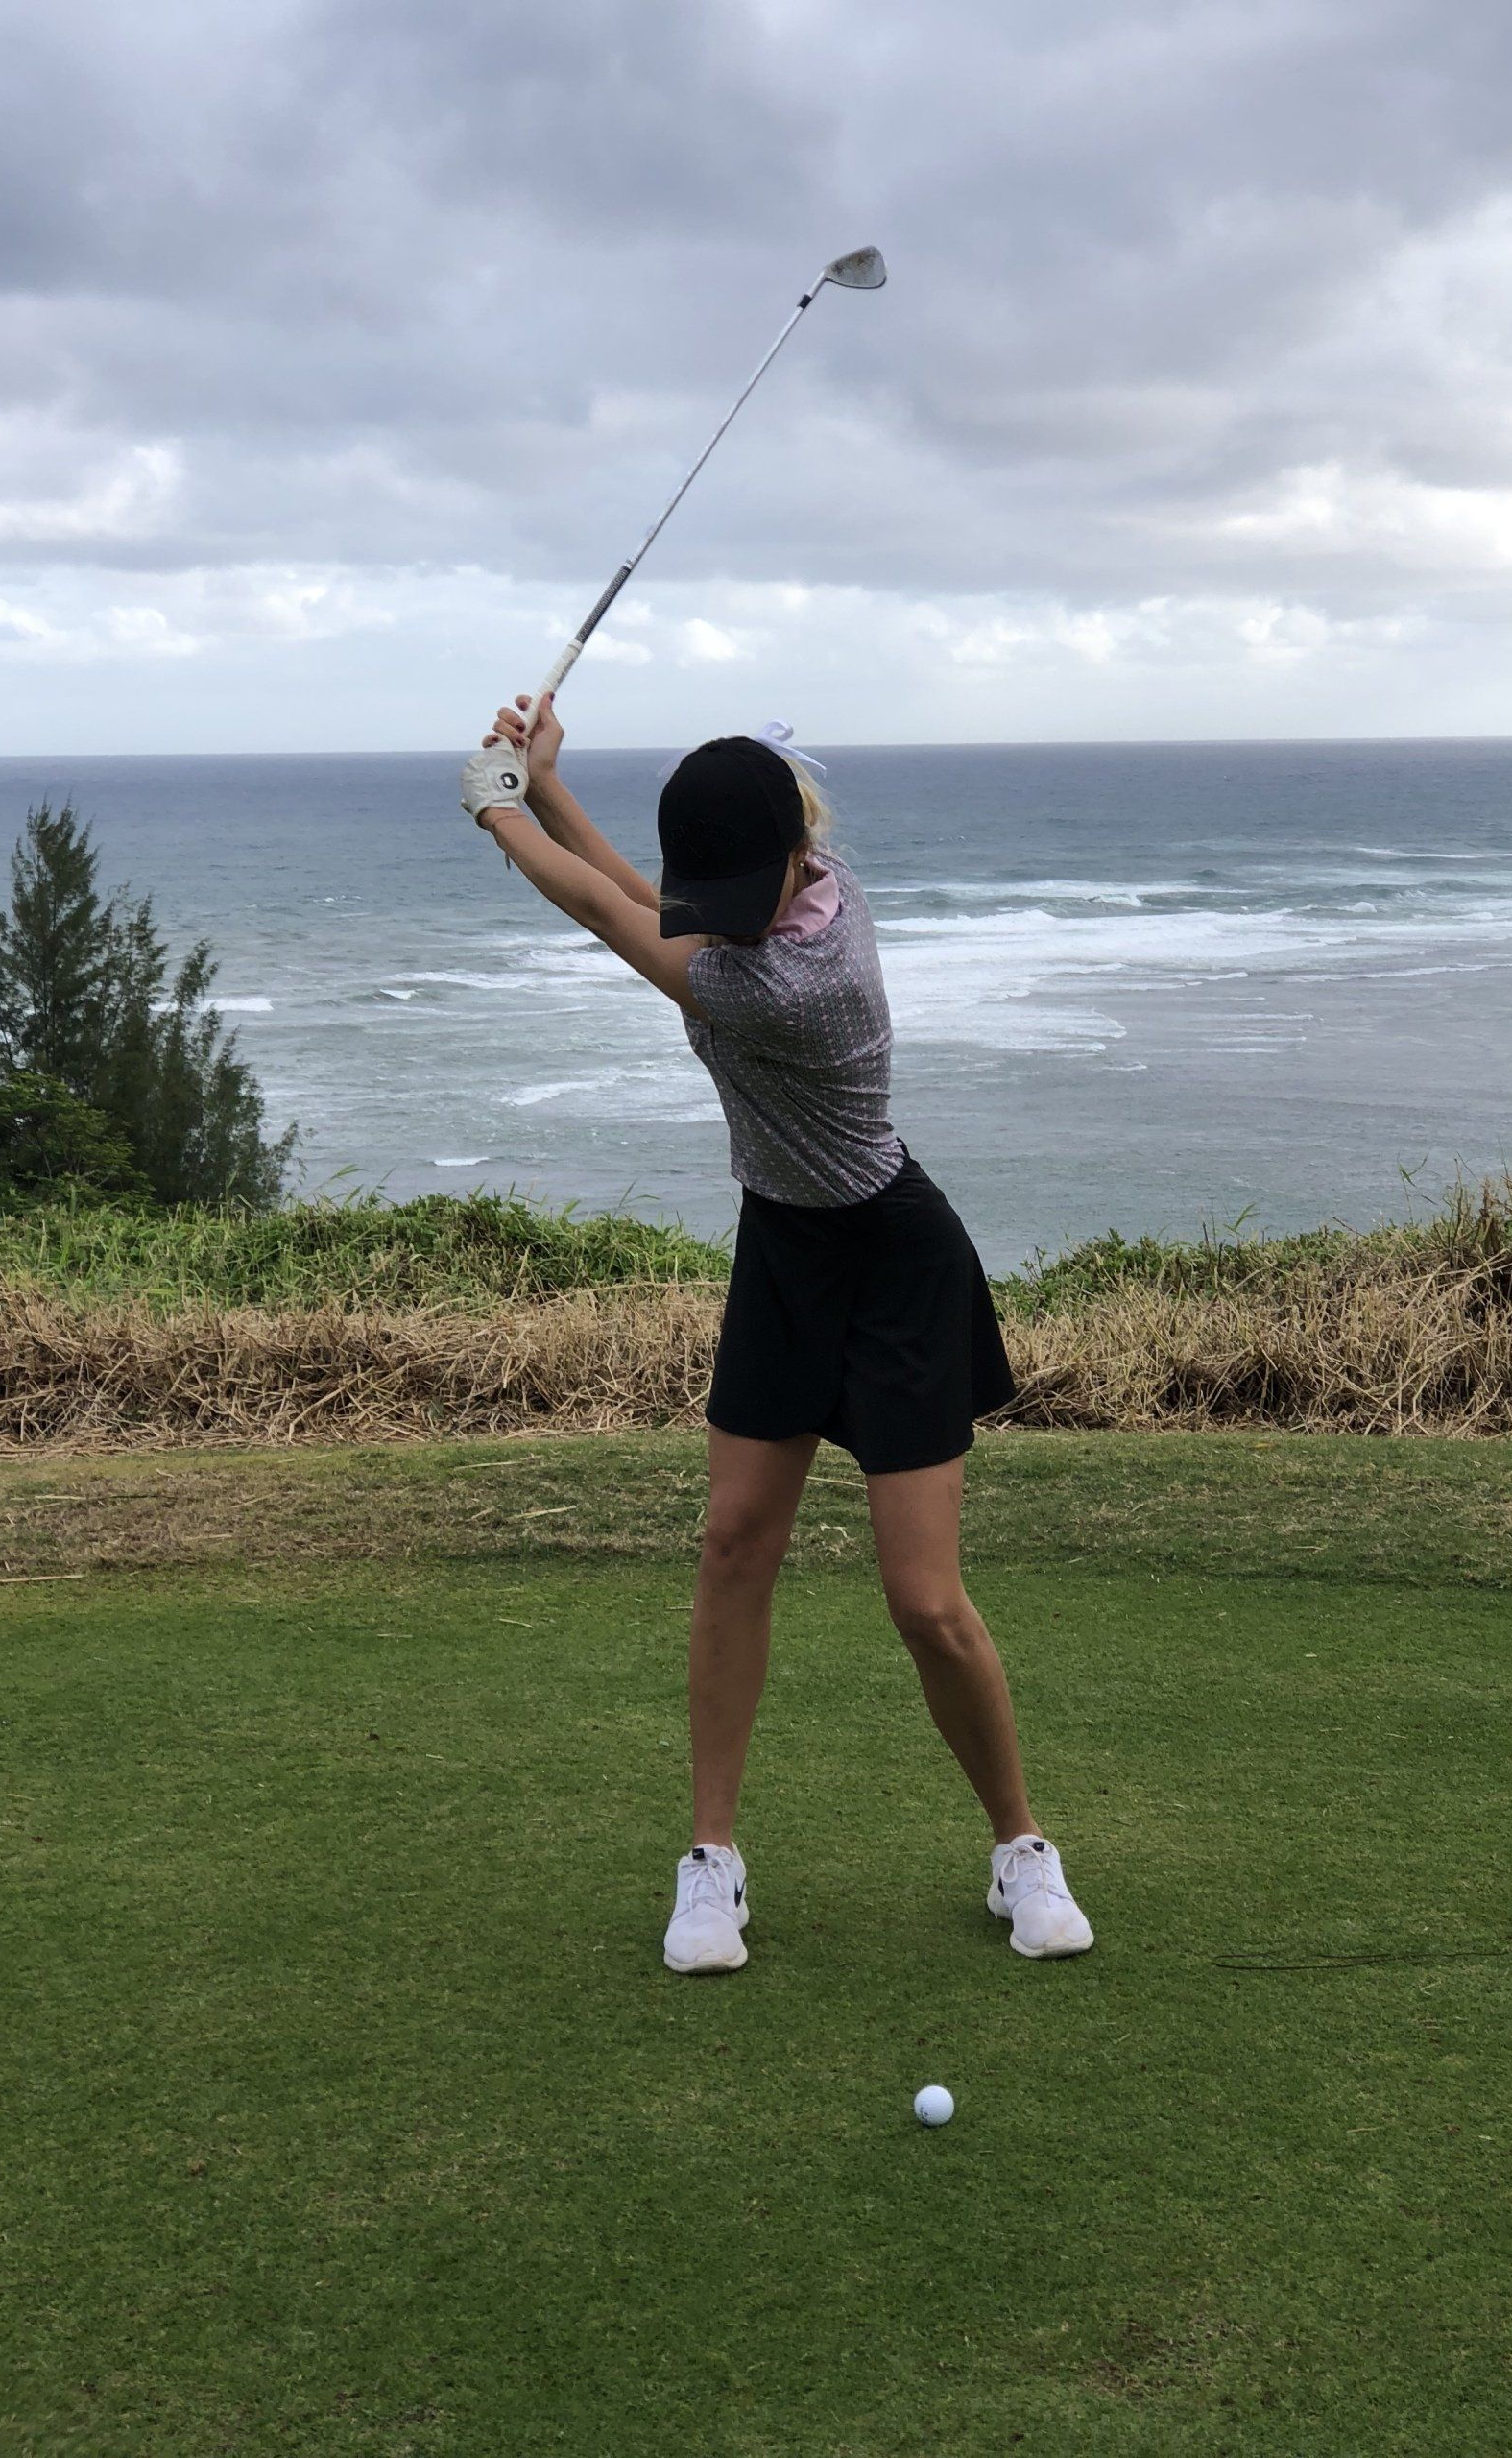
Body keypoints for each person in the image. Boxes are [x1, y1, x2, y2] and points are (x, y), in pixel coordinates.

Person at [461, 695, 1094, 1975]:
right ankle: (713, 1863)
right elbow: (657, 896)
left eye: (748, 881)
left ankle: (1022, 1848)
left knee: (925, 1601)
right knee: (734, 1543)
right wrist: (546, 786)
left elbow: (607, 912)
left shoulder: (795, 984)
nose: (731, 902)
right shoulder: (798, 890)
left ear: (799, 862)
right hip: (786, 1253)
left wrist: (493, 807)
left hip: (896, 1262)